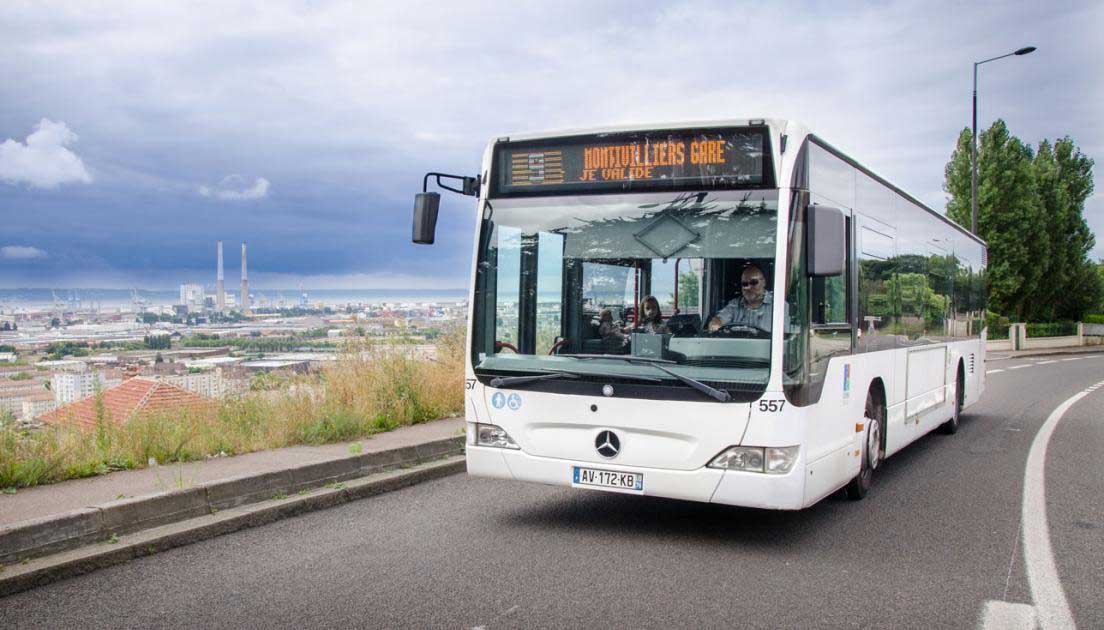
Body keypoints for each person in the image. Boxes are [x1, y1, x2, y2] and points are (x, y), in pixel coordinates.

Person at [708, 265, 772, 333]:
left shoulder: (778, 306)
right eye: (745, 284)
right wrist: (715, 324)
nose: (748, 287)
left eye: (753, 282)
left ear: (764, 282)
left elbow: (784, 337)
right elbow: (719, 320)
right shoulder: (734, 305)